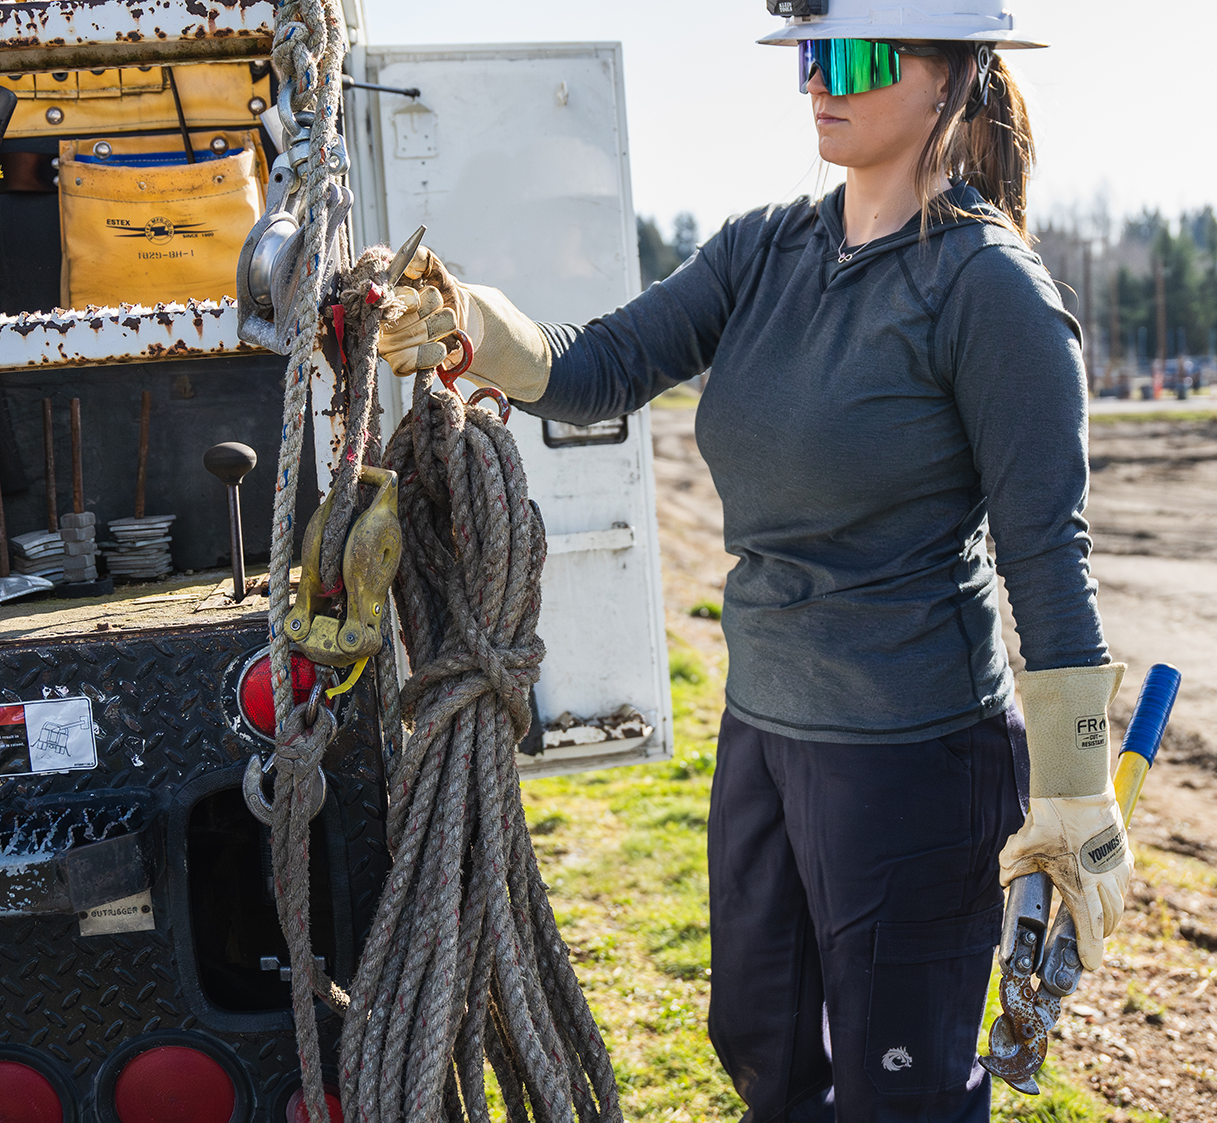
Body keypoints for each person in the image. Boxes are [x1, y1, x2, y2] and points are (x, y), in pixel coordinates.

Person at [379, 3, 1131, 1119]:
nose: (823, 82)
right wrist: (469, 323)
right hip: (765, 734)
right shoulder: (765, 247)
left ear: (953, 77)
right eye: (812, 56)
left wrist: (1073, 789)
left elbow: (1045, 550)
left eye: (859, 56)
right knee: (764, 1050)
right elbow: (600, 366)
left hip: (911, 758)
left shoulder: (989, 293)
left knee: (901, 1089)